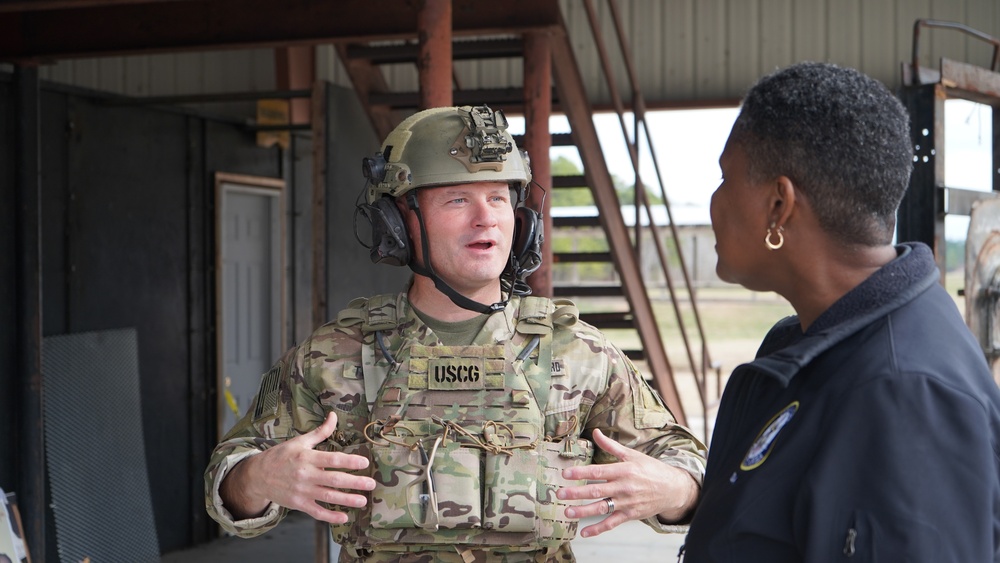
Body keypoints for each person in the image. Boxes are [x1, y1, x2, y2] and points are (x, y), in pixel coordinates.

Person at [205, 104, 706, 562]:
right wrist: (259, 477)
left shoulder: (579, 353)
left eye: (497, 197)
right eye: (456, 199)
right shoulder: (335, 354)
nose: (486, 217)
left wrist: (678, 491)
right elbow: (228, 479)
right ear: (397, 223)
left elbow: (687, 462)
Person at [682, 62, 1000, 561]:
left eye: (725, 178)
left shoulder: (906, 392)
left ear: (778, 206)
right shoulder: (815, 344)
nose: (714, 201)